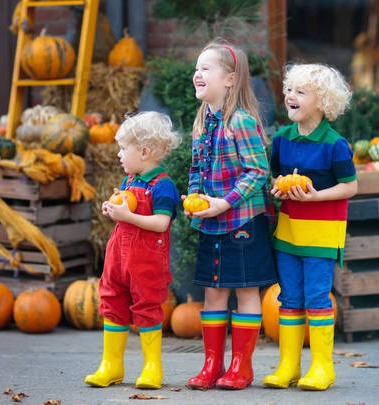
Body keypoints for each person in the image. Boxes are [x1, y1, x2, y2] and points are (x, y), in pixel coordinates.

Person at [186, 40, 277, 391]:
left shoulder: (241, 122)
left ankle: (242, 365)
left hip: (241, 220)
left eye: (206, 68)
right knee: (213, 291)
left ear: (229, 79)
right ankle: (212, 364)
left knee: (246, 289)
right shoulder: (202, 123)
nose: (198, 73)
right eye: (197, 67)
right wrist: (194, 195)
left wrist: (225, 202)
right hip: (211, 221)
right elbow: (197, 168)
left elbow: (257, 171)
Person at [263, 64, 357, 391]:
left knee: (317, 297)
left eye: (301, 92)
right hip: (288, 234)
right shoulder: (281, 138)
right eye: (290, 90)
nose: (290, 96)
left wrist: (315, 197)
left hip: (321, 234)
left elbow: (350, 186)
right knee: (289, 298)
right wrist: (277, 186)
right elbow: (274, 176)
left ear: (323, 102)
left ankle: (322, 367)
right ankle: (289, 365)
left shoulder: (335, 145)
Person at [85, 111, 181, 390]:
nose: (118, 155)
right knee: (113, 302)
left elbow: (161, 223)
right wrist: (113, 211)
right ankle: (111, 365)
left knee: (147, 307)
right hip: (119, 258)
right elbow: (126, 211)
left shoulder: (163, 186)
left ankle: (152, 367)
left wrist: (127, 216)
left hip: (146, 261)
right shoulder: (130, 181)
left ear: (144, 151)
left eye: (123, 149)